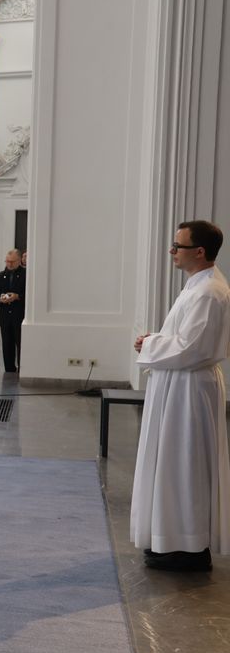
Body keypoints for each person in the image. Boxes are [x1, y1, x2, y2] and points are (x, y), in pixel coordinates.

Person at [132, 221, 230, 572]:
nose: (172, 251)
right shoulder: (198, 285)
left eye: (178, 246)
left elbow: (193, 347)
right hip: (178, 385)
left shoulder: (209, 291)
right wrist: (156, 340)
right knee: (172, 464)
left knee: (185, 465)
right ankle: (170, 540)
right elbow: (186, 337)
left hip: (189, 389)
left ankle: (188, 547)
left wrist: (150, 344)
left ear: (199, 251)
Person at [0, 249, 26, 372]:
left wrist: (17, 296)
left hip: (19, 316)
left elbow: (30, 297)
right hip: (5, 317)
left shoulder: (26, 275)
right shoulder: (0, 276)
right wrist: (0, 300)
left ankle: (23, 368)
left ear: (19, 260)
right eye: (7, 261)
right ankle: (9, 368)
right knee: (7, 345)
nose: (9, 264)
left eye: (12, 261)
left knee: (21, 344)